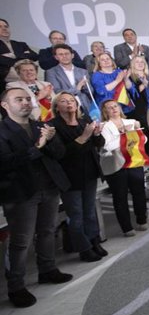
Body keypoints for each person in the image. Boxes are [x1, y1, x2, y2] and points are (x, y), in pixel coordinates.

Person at [0, 88, 73, 308]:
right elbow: (6, 163)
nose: (25, 102)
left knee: (48, 231)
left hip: (48, 187)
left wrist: (49, 141)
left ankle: (47, 269)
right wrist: (38, 146)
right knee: (21, 241)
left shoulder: (41, 125)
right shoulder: (3, 130)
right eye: (18, 99)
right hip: (21, 193)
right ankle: (16, 286)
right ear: (5, 105)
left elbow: (60, 154)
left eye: (27, 99)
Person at [49, 92, 108, 262]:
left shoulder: (84, 122)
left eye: (72, 100)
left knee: (90, 212)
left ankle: (94, 240)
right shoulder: (53, 126)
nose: (69, 103)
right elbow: (61, 153)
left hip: (89, 172)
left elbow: (98, 144)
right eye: (64, 101)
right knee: (76, 215)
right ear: (56, 106)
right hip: (70, 177)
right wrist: (84, 137)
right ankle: (84, 248)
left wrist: (96, 134)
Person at [99, 99, 149, 235]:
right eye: (109, 107)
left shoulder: (131, 122)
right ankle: (126, 227)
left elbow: (143, 140)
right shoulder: (104, 127)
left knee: (139, 192)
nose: (114, 109)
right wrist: (126, 135)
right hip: (115, 165)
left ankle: (142, 219)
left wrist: (134, 132)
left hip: (133, 161)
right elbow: (108, 146)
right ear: (105, 111)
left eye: (115, 106)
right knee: (120, 197)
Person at [45, 44, 93, 115]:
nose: (64, 56)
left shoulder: (83, 71)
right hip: (66, 109)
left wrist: (86, 86)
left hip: (85, 107)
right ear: (56, 57)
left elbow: (90, 92)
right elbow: (57, 93)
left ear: (72, 55)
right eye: (61, 54)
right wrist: (78, 88)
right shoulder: (51, 72)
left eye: (67, 54)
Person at [0, 18, 39, 91]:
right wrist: (23, 57)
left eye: (6, 26)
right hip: (7, 82)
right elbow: (2, 60)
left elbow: (34, 56)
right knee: (17, 100)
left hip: (29, 81)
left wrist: (14, 56)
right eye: (0, 27)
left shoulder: (20, 44)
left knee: (37, 98)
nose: (4, 29)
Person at [126, 56, 149, 147]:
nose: (140, 63)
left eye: (142, 61)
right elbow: (132, 90)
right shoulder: (131, 78)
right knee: (146, 135)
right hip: (141, 110)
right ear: (132, 65)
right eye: (137, 62)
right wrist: (145, 83)